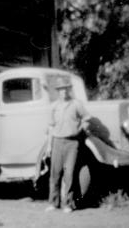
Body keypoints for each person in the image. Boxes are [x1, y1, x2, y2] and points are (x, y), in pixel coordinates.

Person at [44, 77, 91, 214]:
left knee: (69, 173)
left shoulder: (76, 104)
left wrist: (80, 129)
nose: (63, 92)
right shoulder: (54, 106)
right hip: (57, 142)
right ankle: (53, 203)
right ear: (58, 92)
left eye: (65, 89)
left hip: (72, 143)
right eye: (60, 90)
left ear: (68, 90)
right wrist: (48, 146)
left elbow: (87, 118)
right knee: (55, 173)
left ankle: (68, 204)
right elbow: (50, 127)